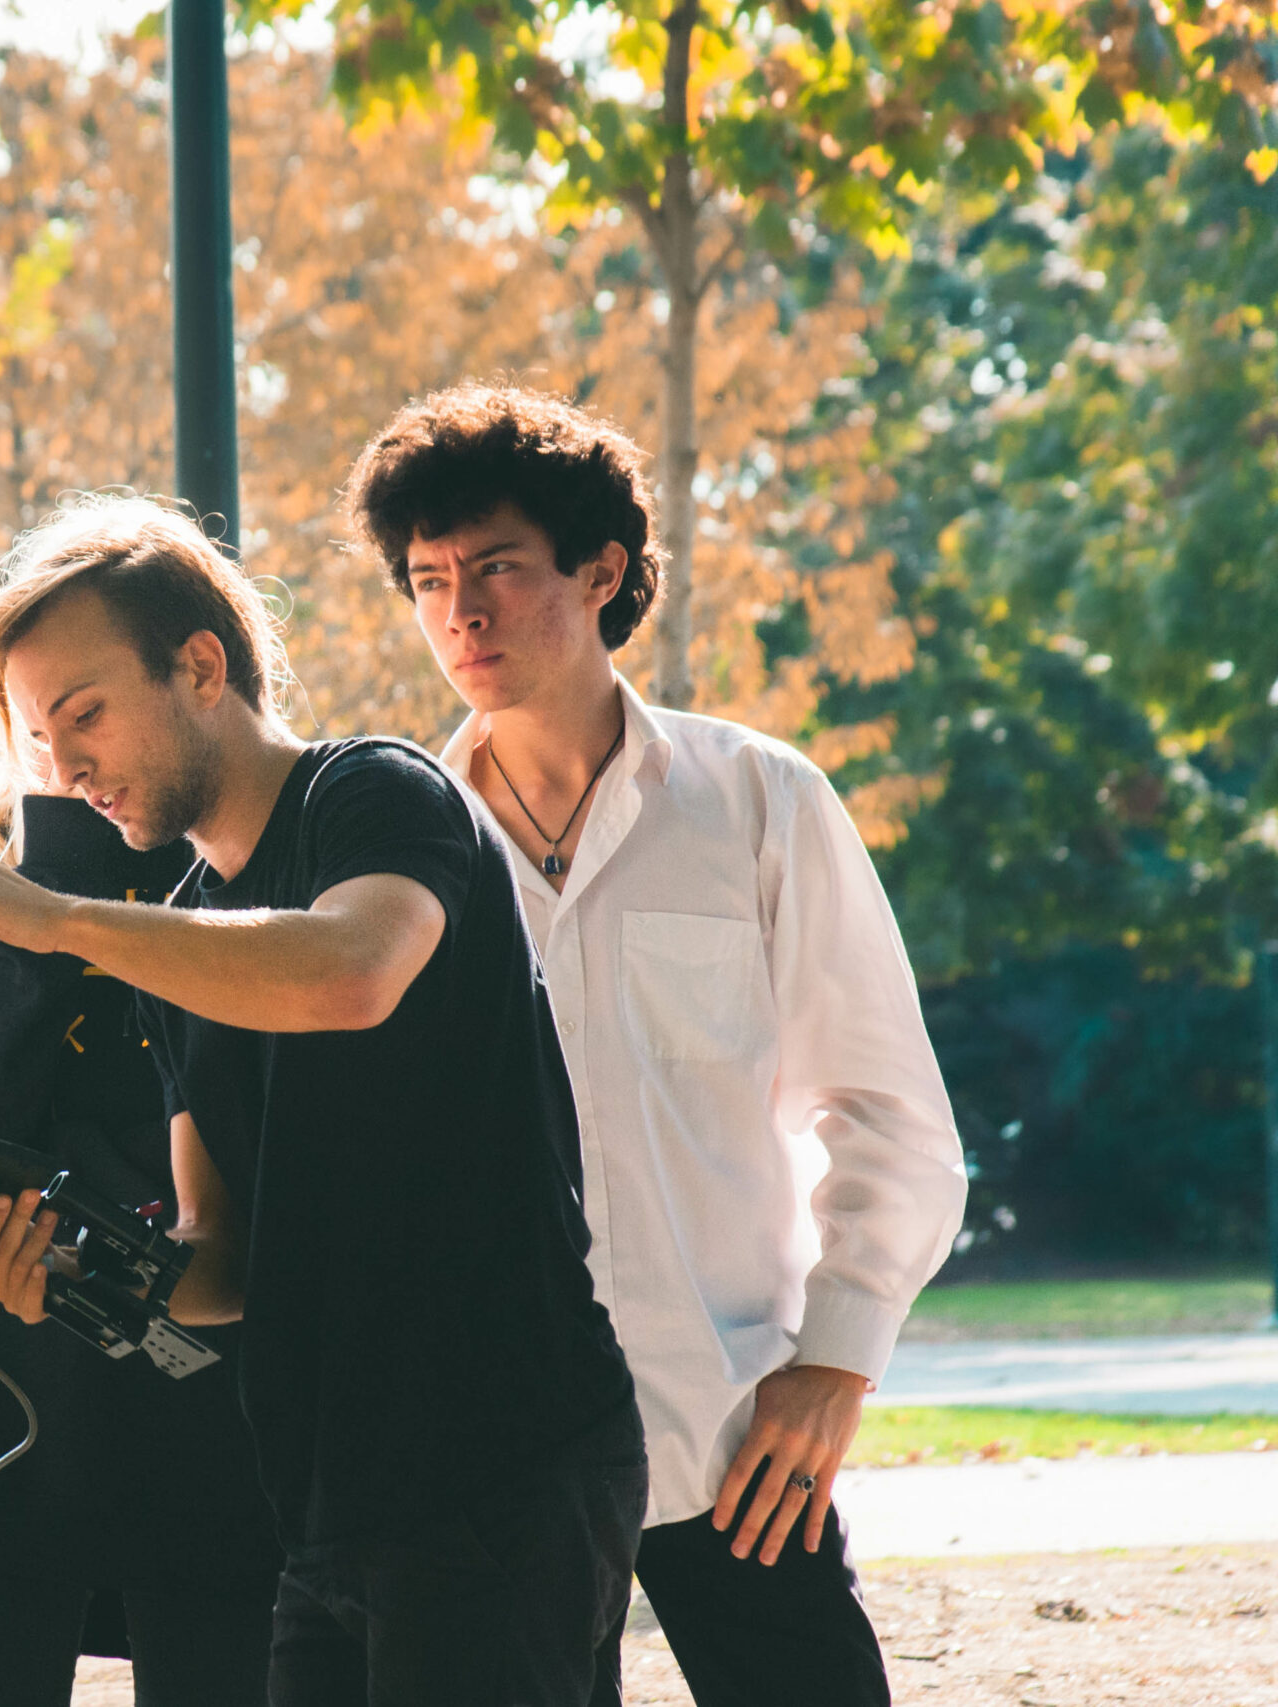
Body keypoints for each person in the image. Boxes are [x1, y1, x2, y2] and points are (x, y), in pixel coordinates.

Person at [0, 496, 646, 1707]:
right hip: (317, 1514)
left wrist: (60, 919)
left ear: (201, 666)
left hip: (497, 1474)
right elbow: (221, 1262)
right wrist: (80, 1280)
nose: (65, 767)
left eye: (83, 714)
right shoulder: (176, 937)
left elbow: (351, 971)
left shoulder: (375, 791)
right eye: (42, 739)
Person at [342, 382, 968, 1706]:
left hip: (732, 1433)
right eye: (430, 578)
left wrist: (837, 1357)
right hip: (491, 1456)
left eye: (500, 568)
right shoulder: (396, 849)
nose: (463, 610)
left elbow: (890, 1108)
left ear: (602, 569)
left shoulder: (759, 799)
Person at [0, 754, 279, 1706]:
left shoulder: (254, 869)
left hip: (217, 1416)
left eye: (88, 709)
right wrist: (51, 887)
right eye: (39, 719)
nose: (68, 750)